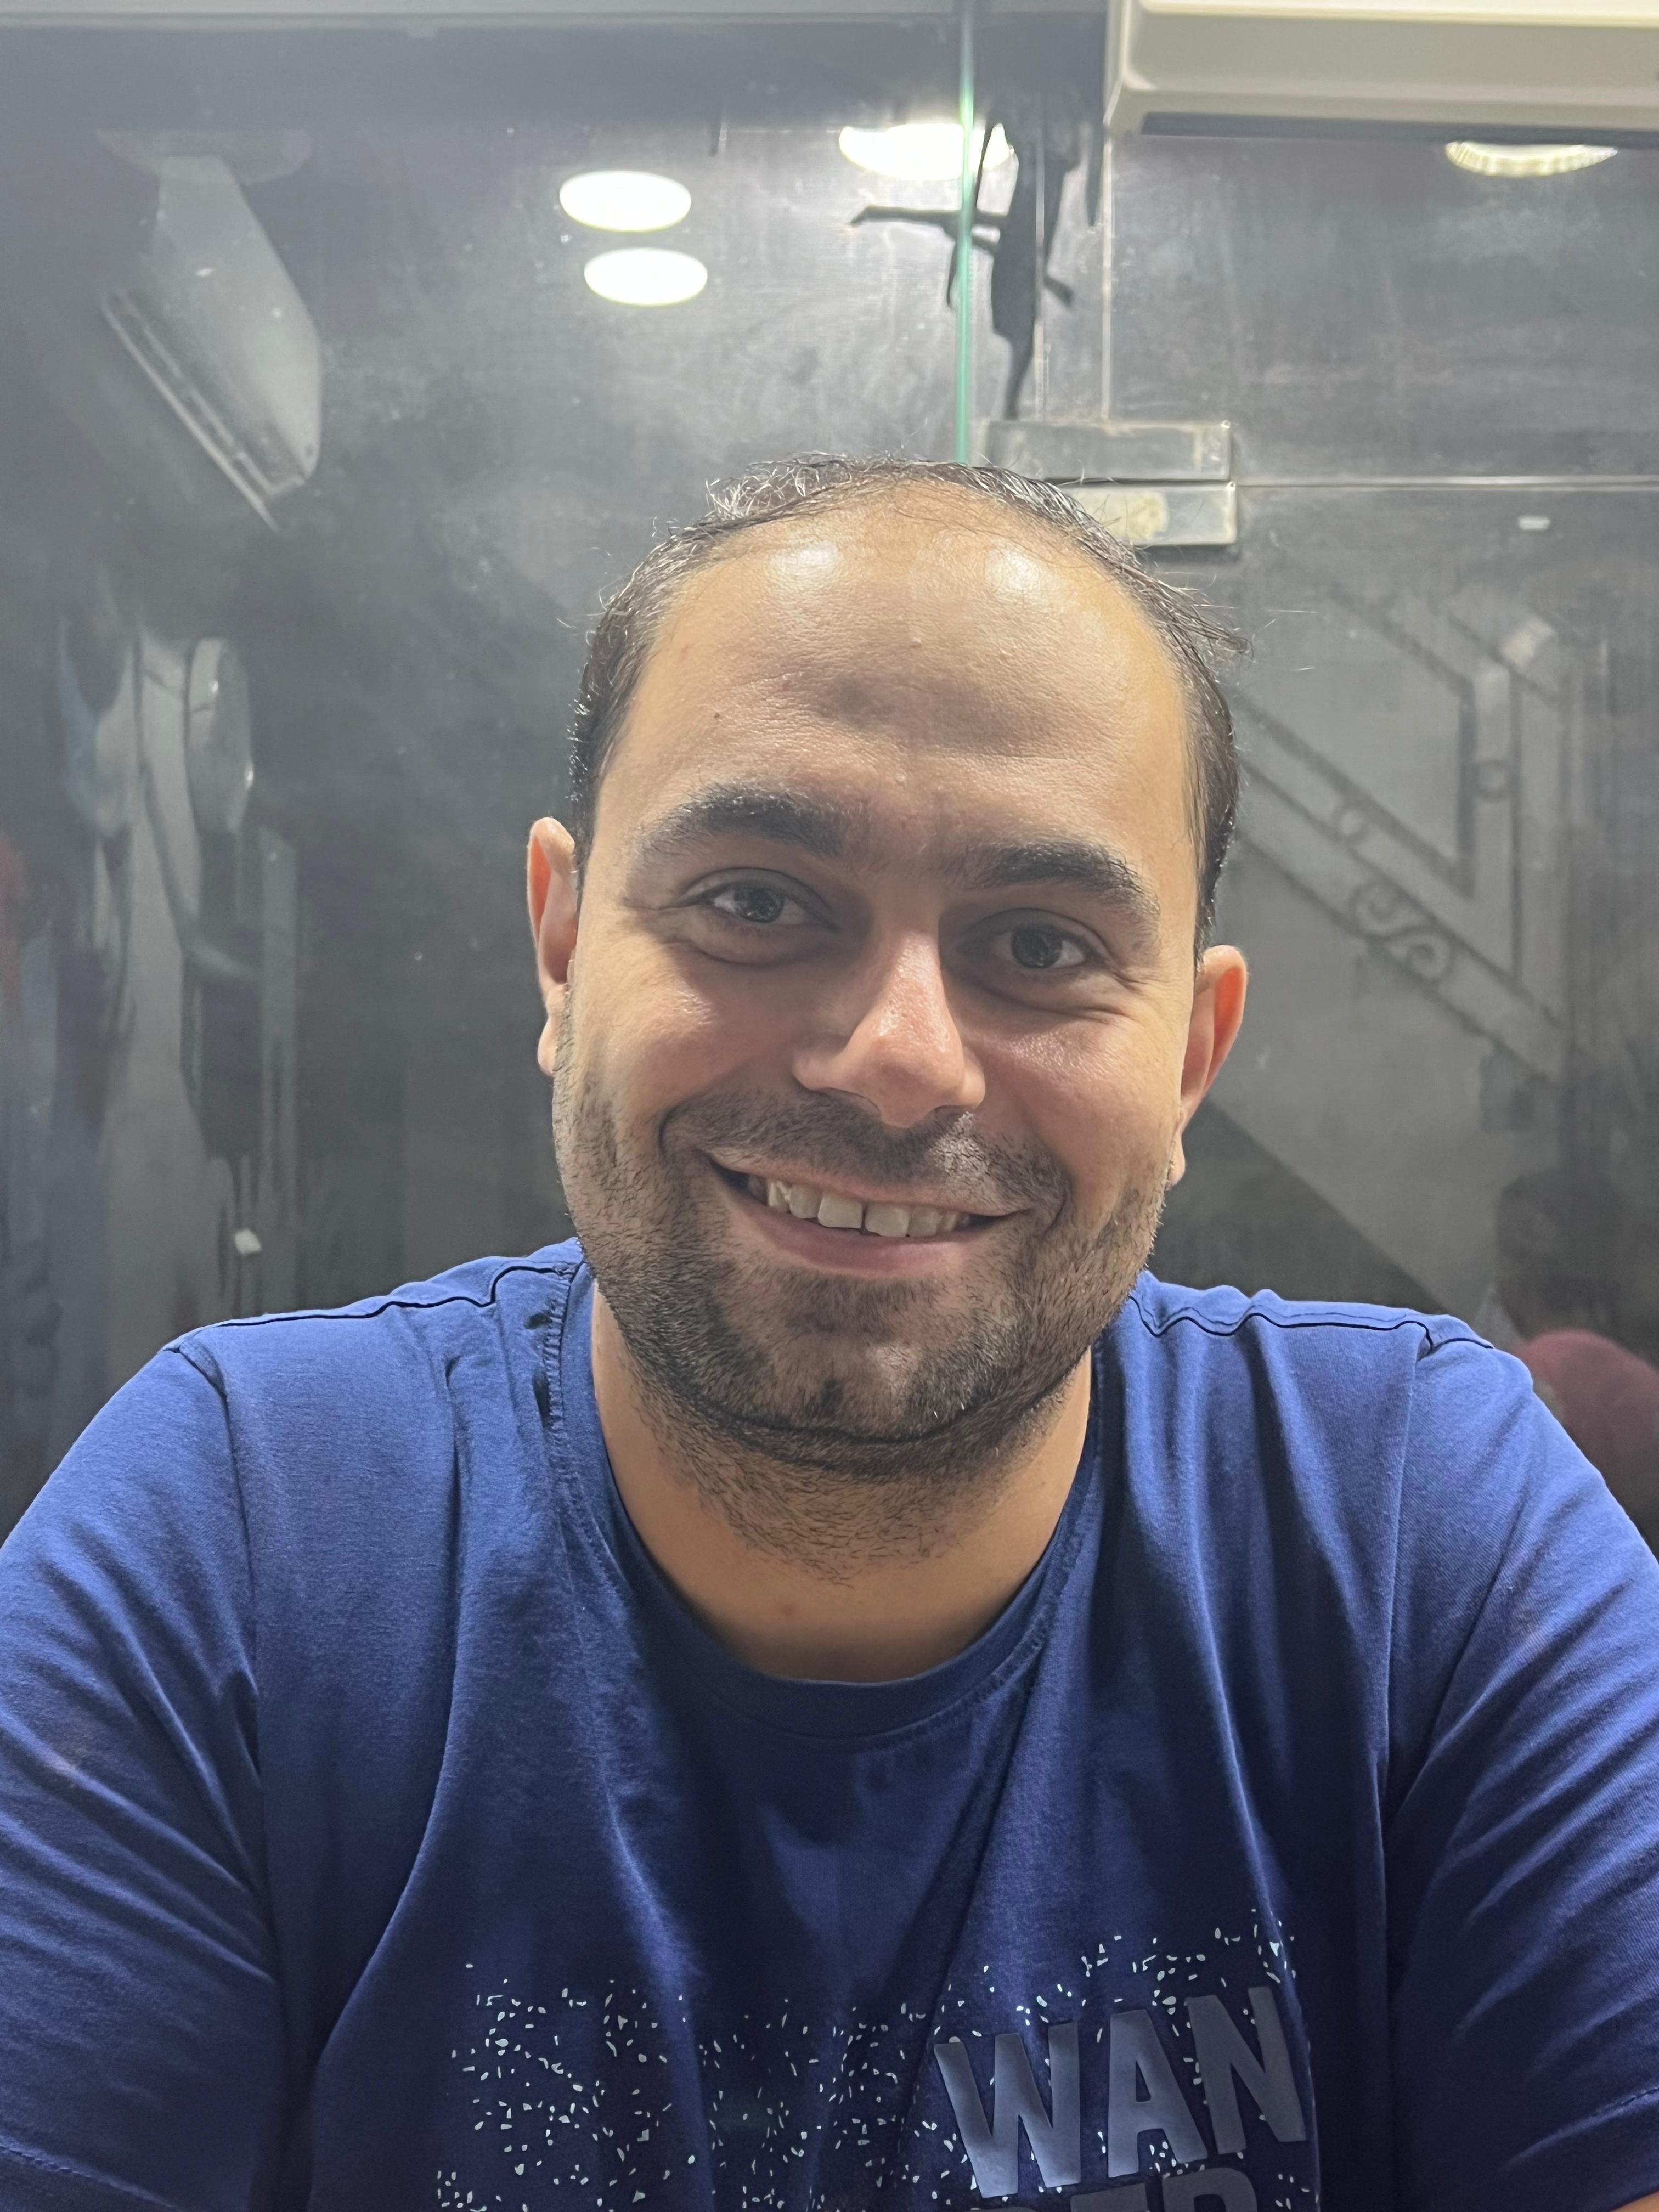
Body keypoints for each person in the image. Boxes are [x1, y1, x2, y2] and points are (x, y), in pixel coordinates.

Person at [2, 458, 1658, 2212]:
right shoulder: (243, 1537)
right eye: (756, 901)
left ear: (1190, 1055)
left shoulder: (1420, 1537)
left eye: (1040, 943)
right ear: (561, 949)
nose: (898, 1061)